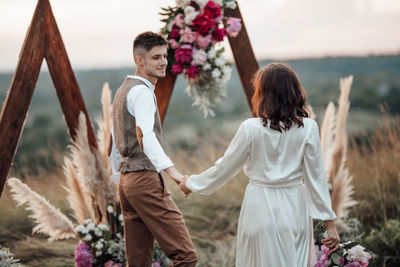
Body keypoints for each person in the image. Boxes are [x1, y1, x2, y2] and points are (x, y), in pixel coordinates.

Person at [180, 63, 340, 267]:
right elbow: (316, 178)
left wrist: (191, 184)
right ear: (295, 91)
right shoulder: (308, 127)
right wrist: (330, 225)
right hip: (295, 209)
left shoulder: (250, 128)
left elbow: (225, 167)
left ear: (262, 94)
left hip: (259, 207)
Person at [112, 31, 198, 267]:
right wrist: (175, 174)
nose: (163, 63)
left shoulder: (123, 90)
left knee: (138, 263)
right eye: (156, 57)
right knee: (186, 257)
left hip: (126, 182)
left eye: (165, 56)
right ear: (139, 61)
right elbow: (145, 137)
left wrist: (117, 177)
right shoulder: (141, 92)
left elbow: (115, 138)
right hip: (144, 181)